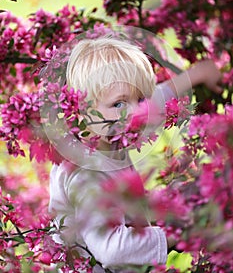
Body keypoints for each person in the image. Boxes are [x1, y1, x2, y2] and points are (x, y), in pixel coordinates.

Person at [49, 36, 222, 272]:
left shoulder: (111, 127)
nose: (135, 113)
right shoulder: (86, 175)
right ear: (81, 111)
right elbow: (111, 250)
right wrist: (175, 235)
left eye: (140, 98)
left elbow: (157, 97)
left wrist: (198, 73)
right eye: (119, 104)